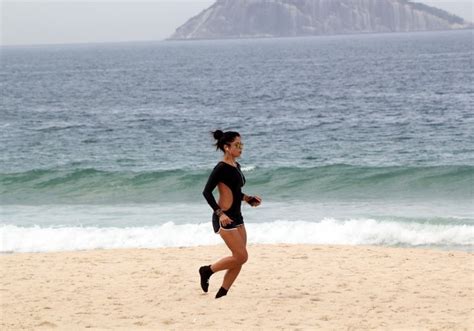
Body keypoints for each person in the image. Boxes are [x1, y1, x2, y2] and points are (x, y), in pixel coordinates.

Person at [200, 130, 262, 299]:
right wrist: (220, 214)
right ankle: (207, 270)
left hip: (237, 216)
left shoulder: (236, 166)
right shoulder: (220, 168)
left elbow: (235, 192)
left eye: (241, 144)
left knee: (239, 257)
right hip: (224, 217)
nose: (241, 148)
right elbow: (206, 192)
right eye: (237, 145)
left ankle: (222, 293)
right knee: (242, 256)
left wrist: (248, 199)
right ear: (227, 147)